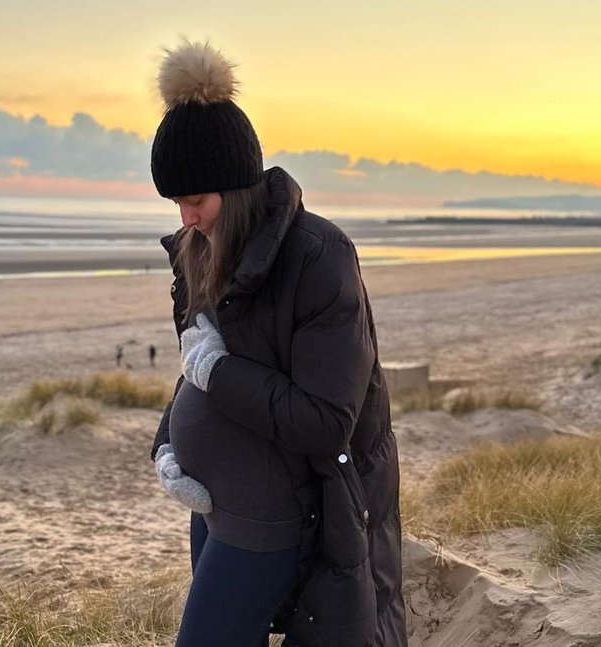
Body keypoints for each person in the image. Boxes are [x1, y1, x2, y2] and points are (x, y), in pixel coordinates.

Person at [149, 40, 407, 647]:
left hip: (276, 514)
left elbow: (324, 421)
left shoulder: (319, 259)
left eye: (196, 200)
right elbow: (196, 369)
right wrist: (166, 445)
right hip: (214, 503)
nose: (185, 218)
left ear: (234, 189)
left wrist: (217, 373)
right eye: (175, 202)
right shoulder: (199, 253)